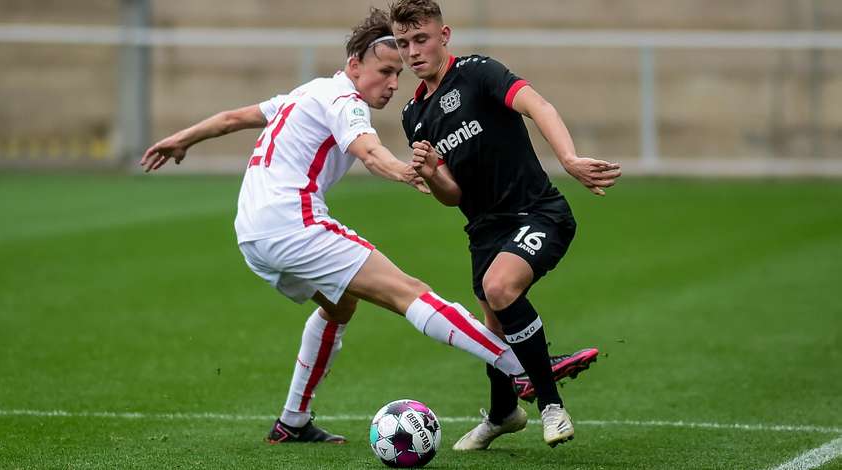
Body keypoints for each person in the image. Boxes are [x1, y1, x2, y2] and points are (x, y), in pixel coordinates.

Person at [140, 8, 586, 445]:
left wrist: (183, 138)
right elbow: (370, 152)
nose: (393, 84)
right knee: (410, 292)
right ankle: (522, 368)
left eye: (398, 74)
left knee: (339, 308)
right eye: (385, 71)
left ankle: (293, 420)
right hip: (292, 222)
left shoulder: (307, 92)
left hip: (252, 233)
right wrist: (407, 171)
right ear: (354, 64)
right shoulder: (344, 101)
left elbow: (233, 119)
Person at [390, 0, 622, 449]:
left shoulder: (478, 72)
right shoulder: (413, 115)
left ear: (444, 35)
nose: (413, 51)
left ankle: (551, 406)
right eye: (403, 44)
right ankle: (502, 414)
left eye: (421, 39)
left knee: (499, 289)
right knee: (491, 334)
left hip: (539, 213)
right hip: (484, 231)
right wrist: (433, 170)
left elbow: (538, 105)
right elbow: (451, 195)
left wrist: (569, 159)